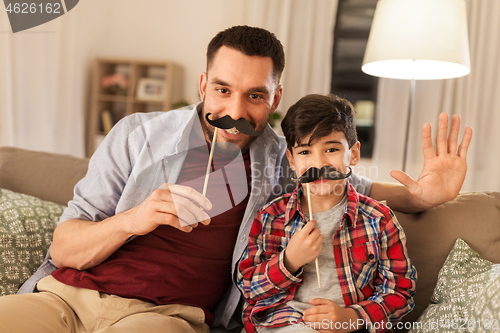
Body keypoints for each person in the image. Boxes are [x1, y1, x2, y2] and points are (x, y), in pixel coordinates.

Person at [0, 25, 471, 333]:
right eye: (223, 90)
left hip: (162, 318)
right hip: (65, 297)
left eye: (255, 97)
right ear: (204, 85)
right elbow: (64, 246)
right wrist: (135, 219)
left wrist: (420, 194)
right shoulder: (136, 135)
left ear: (275, 97)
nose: (235, 113)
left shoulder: (280, 161)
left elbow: (343, 182)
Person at [237, 94, 417, 333]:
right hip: (284, 325)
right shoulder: (271, 217)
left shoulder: (379, 219)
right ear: (291, 159)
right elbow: (249, 287)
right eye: (305, 152)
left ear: (353, 153)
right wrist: (288, 261)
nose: (318, 164)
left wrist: (352, 317)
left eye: (331, 149)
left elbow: (401, 292)